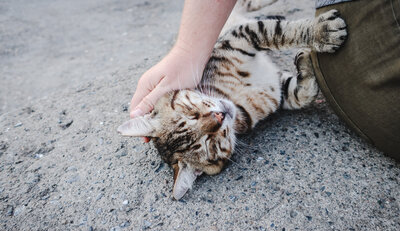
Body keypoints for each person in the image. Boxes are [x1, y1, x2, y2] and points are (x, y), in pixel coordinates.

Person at [130, 0, 400, 161]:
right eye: (210, 141)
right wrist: (299, 93)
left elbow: (248, 35)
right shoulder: (241, 122)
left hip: (232, 26)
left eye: (191, 114)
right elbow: (275, 89)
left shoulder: (207, 82)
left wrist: (308, 34)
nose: (215, 119)